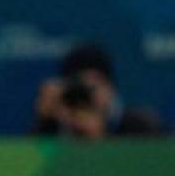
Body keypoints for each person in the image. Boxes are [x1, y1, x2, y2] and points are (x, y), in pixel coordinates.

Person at [33, 42, 164, 139]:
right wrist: (45, 122)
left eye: (94, 86)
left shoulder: (141, 129)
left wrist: (99, 132)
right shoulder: (52, 130)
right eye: (80, 85)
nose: (86, 95)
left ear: (111, 89)